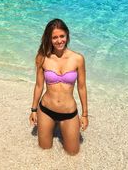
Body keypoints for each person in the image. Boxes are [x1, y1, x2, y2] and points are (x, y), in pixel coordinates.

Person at [29, 18, 88, 155]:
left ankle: (60, 126)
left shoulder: (78, 59)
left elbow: (82, 88)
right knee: (44, 150)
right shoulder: (42, 58)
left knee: (73, 153)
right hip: (46, 110)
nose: (59, 40)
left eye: (62, 36)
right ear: (49, 39)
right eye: (54, 37)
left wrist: (84, 114)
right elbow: (38, 86)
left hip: (69, 113)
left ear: (67, 35)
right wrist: (33, 110)